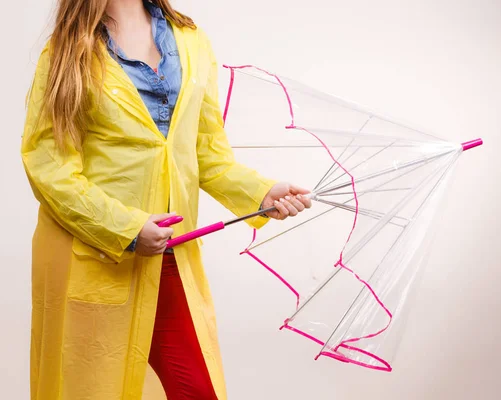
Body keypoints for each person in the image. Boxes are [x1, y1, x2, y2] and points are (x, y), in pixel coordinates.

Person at [21, 0, 311, 398]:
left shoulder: (190, 40)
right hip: (93, 257)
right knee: (92, 387)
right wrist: (126, 228)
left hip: (171, 252)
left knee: (196, 390)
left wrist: (261, 191)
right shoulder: (66, 51)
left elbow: (206, 153)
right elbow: (49, 166)